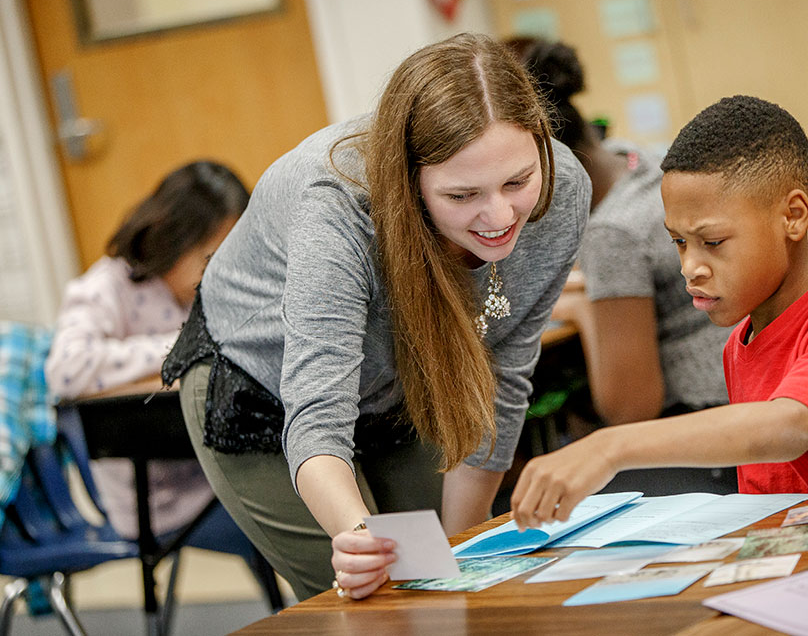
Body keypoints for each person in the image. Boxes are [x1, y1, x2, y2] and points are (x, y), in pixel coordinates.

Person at [161, 33, 591, 601]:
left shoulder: (562, 190)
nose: (499, 214)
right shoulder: (336, 208)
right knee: (381, 597)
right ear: (408, 182)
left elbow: (503, 380)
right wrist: (357, 538)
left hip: (398, 378)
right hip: (262, 388)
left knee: (443, 583)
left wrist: (462, 553)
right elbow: (316, 413)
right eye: (462, 196)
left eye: (517, 181)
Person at [509, 95, 808, 531]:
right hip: (793, 557)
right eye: (678, 241)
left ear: (793, 216)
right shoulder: (742, 340)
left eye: (712, 242)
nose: (689, 267)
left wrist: (609, 447)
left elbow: (789, 426)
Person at [512, 38, 732, 426]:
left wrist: (584, 310)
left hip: (707, 424)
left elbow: (629, 410)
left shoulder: (613, 232)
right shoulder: (640, 158)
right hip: (755, 395)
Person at [45, 160, 249, 541]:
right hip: (154, 502)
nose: (221, 268)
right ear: (172, 237)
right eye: (211, 254)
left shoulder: (207, 292)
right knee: (271, 522)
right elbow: (66, 369)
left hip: (217, 474)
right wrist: (181, 349)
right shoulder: (109, 286)